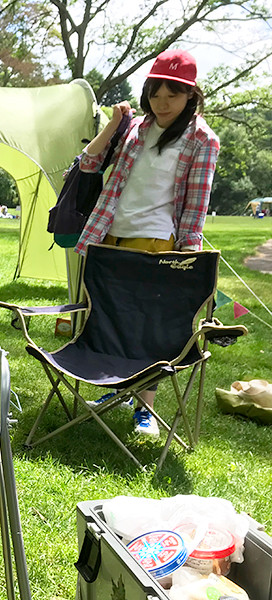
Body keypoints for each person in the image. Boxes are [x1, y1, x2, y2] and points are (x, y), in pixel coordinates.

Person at [74, 49, 219, 436]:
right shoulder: (136, 127)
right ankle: (113, 387)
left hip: (155, 239)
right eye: (156, 92)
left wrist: (189, 256)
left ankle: (145, 409)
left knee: (144, 323)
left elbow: (196, 205)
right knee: (105, 316)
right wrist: (115, 123)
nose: (163, 102)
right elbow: (87, 164)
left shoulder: (202, 138)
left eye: (173, 93)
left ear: (191, 95)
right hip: (107, 235)